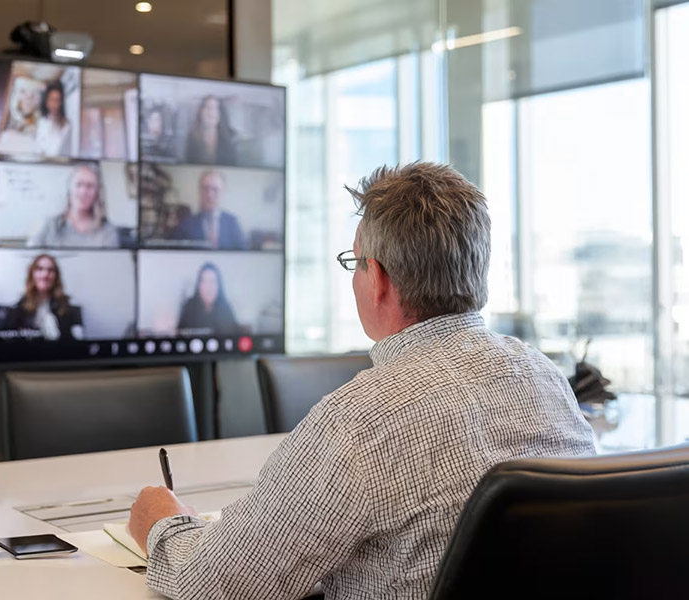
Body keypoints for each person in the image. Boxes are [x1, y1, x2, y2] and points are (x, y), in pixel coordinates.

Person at [127, 162, 597, 599]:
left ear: (378, 279)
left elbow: (209, 583)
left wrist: (161, 523)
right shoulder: (545, 379)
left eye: (355, 264)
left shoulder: (359, 420)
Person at [27, 164, 119, 248]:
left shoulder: (108, 231)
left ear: (97, 192)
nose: (83, 192)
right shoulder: (48, 225)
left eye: (90, 186)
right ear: (69, 189)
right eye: (79, 184)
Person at [0, 254, 83, 341]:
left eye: (50, 270)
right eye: (40, 269)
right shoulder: (18, 308)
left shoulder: (67, 307)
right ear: (32, 275)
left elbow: (76, 342)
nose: (45, 275)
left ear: (56, 276)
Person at [170, 171, 246, 250]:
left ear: (223, 192)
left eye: (215, 189)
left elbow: (242, 255)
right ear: (199, 191)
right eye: (205, 189)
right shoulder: (185, 224)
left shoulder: (232, 223)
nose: (210, 195)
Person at [176, 262, 241, 336]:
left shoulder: (226, 308)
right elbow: (179, 334)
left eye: (212, 281)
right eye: (204, 281)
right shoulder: (189, 306)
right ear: (198, 285)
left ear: (219, 286)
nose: (208, 287)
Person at [184, 95, 236, 165]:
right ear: (200, 112)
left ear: (220, 113)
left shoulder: (231, 137)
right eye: (207, 107)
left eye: (215, 108)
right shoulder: (192, 137)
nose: (211, 111)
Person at [35, 80, 72, 157]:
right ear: (46, 102)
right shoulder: (41, 123)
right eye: (51, 100)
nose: (54, 105)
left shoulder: (67, 124)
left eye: (57, 100)